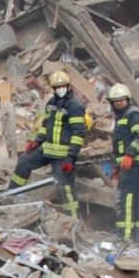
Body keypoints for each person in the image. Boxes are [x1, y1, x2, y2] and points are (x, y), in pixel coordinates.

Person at [13, 70, 91, 218]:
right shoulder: (51, 103)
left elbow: (78, 134)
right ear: (53, 88)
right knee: (23, 162)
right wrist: (37, 140)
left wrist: (70, 158)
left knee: (65, 186)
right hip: (47, 149)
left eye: (63, 86)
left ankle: (73, 218)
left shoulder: (75, 106)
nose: (60, 89)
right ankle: (13, 196)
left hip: (63, 154)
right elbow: (45, 125)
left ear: (68, 86)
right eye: (57, 86)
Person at [104, 83, 139, 242]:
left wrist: (130, 155)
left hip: (134, 163)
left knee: (127, 199)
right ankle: (138, 237)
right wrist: (117, 166)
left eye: (121, 100)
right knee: (134, 200)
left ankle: (124, 236)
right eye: (115, 101)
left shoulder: (133, 114)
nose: (118, 103)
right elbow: (119, 144)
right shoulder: (120, 118)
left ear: (127, 99)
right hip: (126, 165)